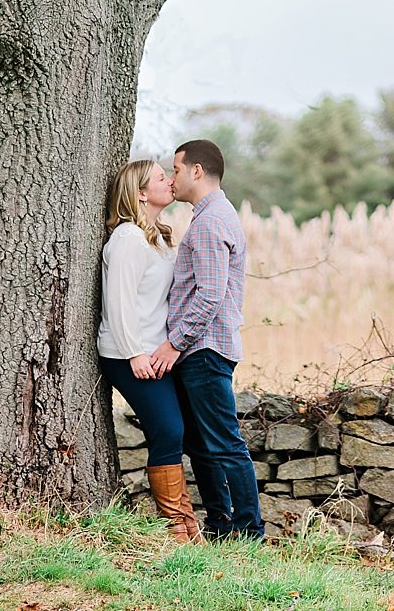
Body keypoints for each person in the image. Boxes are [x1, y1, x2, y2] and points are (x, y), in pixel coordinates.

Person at [150, 140, 264, 541]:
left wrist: (174, 343)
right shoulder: (209, 217)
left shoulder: (213, 221)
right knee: (201, 445)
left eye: (176, 169)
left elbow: (211, 295)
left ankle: (249, 532)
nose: (172, 177)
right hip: (198, 350)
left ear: (197, 171)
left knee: (224, 444)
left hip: (204, 350)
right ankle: (220, 525)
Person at [97, 160, 202, 543]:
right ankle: (177, 528)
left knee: (176, 429)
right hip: (128, 353)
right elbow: (118, 302)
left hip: (154, 351)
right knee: (168, 429)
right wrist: (134, 353)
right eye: (161, 177)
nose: (170, 181)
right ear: (141, 193)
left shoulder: (155, 236)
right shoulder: (127, 237)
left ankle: (188, 529)